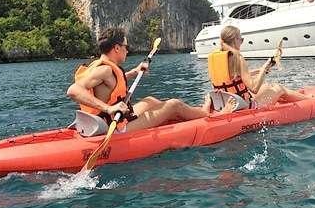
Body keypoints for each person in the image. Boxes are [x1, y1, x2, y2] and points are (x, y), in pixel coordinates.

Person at [67, 27, 211, 133]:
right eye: (126, 46)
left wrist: (134, 72)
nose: (127, 50)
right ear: (117, 48)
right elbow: (73, 90)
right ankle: (204, 114)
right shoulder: (104, 69)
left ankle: (179, 116)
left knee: (150, 101)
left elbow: (112, 83)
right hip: (114, 128)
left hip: (115, 119)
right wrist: (109, 108)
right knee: (174, 104)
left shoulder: (104, 67)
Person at [208, 25, 308, 109]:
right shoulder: (237, 57)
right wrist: (264, 69)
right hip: (244, 107)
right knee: (278, 88)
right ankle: (310, 101)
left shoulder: (217, 57)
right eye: (241, 39)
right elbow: (254, 88)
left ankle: (295, 95)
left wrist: (259, 70)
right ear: (234, 40)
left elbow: (235, 78)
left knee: (268, 86)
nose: (241, 42)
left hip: (225, 104)